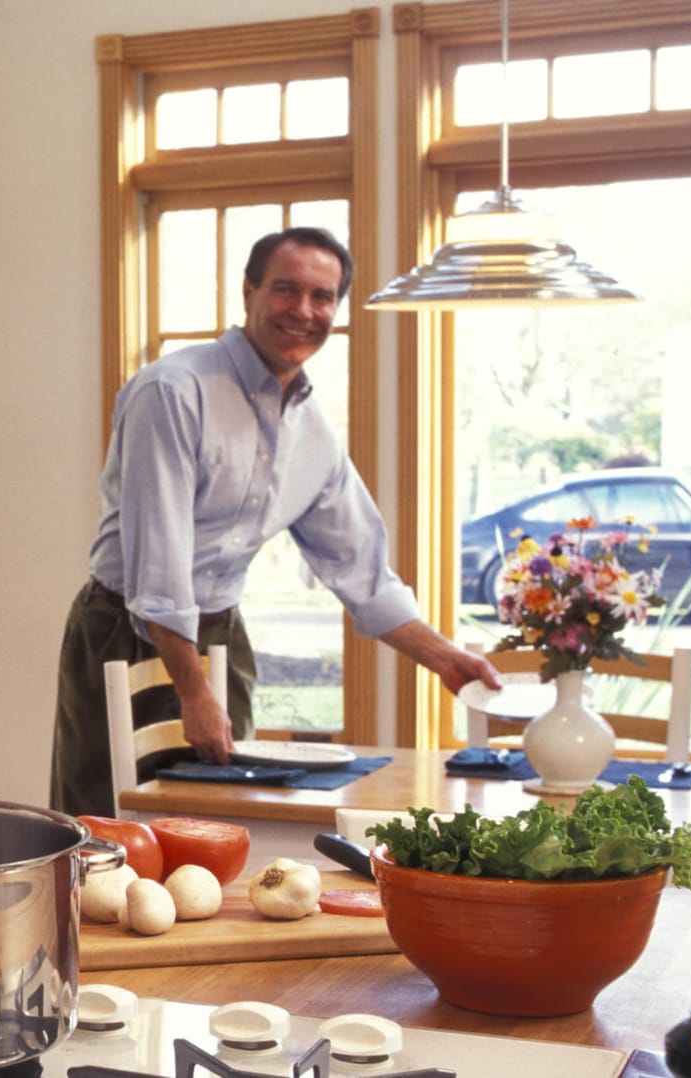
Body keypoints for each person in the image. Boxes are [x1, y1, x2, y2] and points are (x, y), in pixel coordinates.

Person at [49, 226, 497, 819]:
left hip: (220, 634)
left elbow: (362, 573)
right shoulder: (174, 391)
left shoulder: (312, 433)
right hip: (120, 629)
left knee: (222, 824)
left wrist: (446, 657)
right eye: (286, 290)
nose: (303, 311)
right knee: (104, 829)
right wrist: (192, 690)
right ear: (248, 292)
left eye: (322, 297)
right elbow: (158, 567)